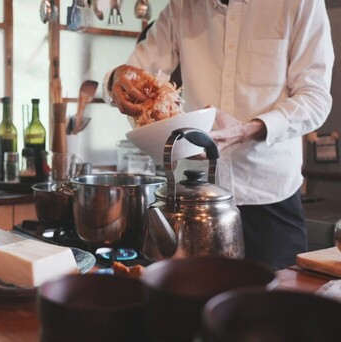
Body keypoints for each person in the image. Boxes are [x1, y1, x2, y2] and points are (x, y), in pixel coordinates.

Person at [103, 0, 335, 270]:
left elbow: (315, 98)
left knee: (277, 308)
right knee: (190, 309)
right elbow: (134, 71)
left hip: (270, 203)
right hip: (193, 203)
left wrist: (246, 130)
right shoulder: (182, 7)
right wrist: (117, 78)